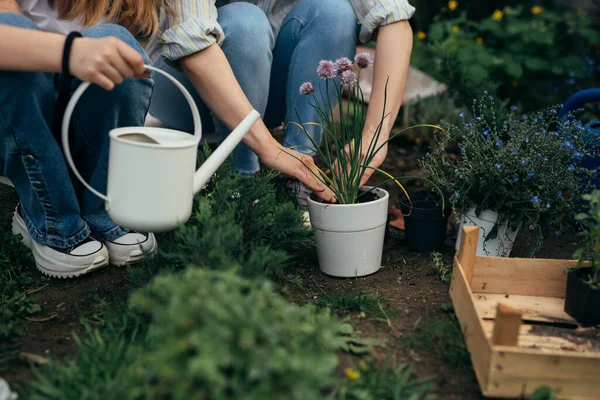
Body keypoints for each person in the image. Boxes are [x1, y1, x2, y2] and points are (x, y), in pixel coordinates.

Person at [147, 0, 415, 207]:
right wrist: (267, 148)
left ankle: (298, 175)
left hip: (266, 91)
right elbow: (191, 43)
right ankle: (241, 184)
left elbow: (394, 18)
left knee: (334, 12)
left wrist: (374, 136)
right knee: (245, 23)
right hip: (183, 90)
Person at [0, 0, 167, 277]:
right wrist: (69, 53)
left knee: (115, 39)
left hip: (77, 121)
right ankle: (51, 220)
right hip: (20, 121)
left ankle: (105, 210)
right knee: (11, 30)